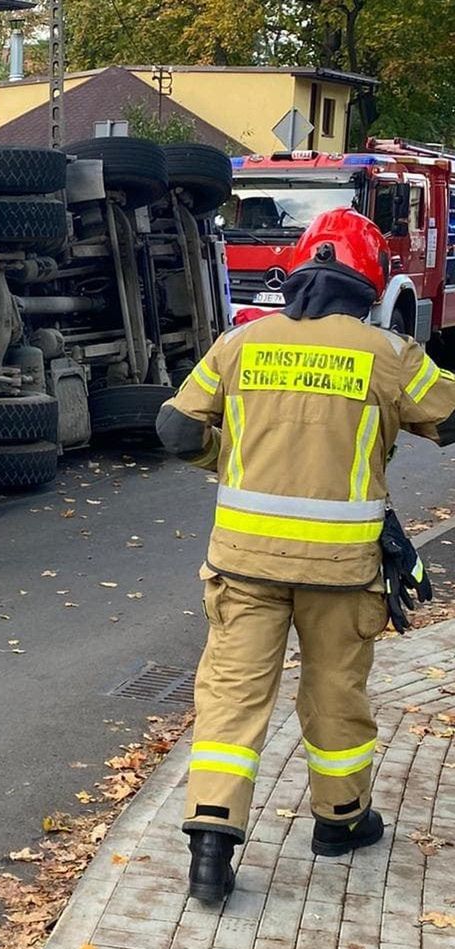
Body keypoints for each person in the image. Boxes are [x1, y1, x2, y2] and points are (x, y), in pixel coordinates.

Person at [157, 208, 455, 903]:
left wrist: (229, 458)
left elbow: (173, 429)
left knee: (231, 697)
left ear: (294, 274)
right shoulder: (388, 356)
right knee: (333, 693)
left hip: (243, 565)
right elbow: (447, 421)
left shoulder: (240, 345)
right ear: (368, 284)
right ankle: (340, 822)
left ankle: (209, 839)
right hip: (341, 574)